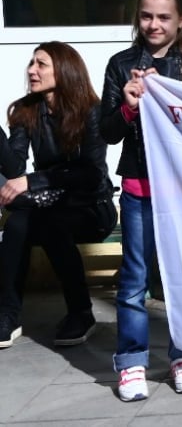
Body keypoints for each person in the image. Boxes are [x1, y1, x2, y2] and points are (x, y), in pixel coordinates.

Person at [101, 0, 182, 402]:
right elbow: (107, 132)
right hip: (138, 187)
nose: (154, 24)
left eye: (163, 17)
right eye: (146, 16)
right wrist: (129, 105)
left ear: (181, 21)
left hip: (180, 189)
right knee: (133, 279)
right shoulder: (119, 63)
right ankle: (131, 362)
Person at [0, 42, 116, 349]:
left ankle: (81, 312)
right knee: (16, 224)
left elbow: (91, 174)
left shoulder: (92, 112)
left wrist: (33, 180)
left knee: (52, 225)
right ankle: (8, 316)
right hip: (46, 202)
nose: (31, 70)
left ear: (63, 70)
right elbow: (14, 171)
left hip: (91, 205)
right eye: (31, 63)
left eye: (41, 64)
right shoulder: (25, 111)